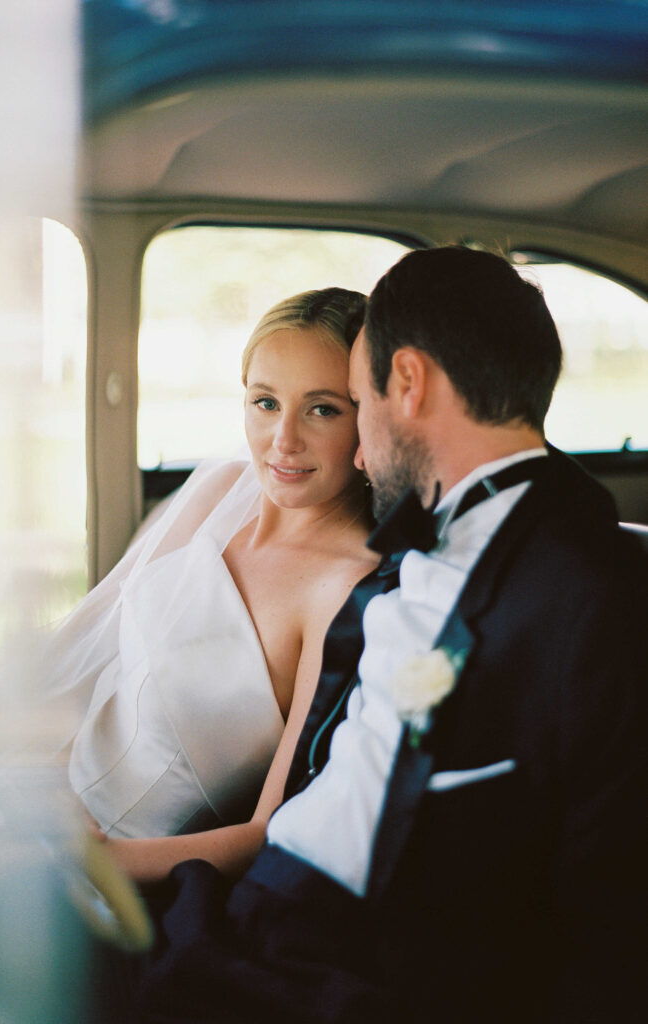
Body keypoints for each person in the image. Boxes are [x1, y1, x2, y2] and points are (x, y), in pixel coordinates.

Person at [100, 246, 648, 1024]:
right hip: (233, 917)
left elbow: (611, 898)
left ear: (410, 384)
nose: (356, 453)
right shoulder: (428, 540)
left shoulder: (580, 586)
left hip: (318, 967)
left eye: (350, 403)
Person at [0, 286, 381, 906]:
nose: (282, 439)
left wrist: (78, 857)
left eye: (322, 410)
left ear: (368, 418)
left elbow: (269, 833)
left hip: (124, 875)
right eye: (265, 402)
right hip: (38, 800)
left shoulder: (347, 588)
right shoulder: (221, 491)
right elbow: (97, 661)